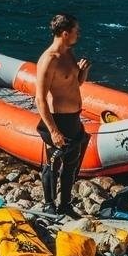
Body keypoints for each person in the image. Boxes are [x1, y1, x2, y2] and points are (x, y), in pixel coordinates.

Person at [35, 13, 91, 216]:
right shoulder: (49, 59)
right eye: (76, 31)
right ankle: (49, 204)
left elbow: (74, 84)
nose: (79, 34)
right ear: (65, 33)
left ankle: (65, 204)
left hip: (74, 118)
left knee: (71, 163)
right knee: (53, 164)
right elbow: (39, 99)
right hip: (57, 119)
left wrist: (83, 72)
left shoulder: (69, 53)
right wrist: (53, 131)